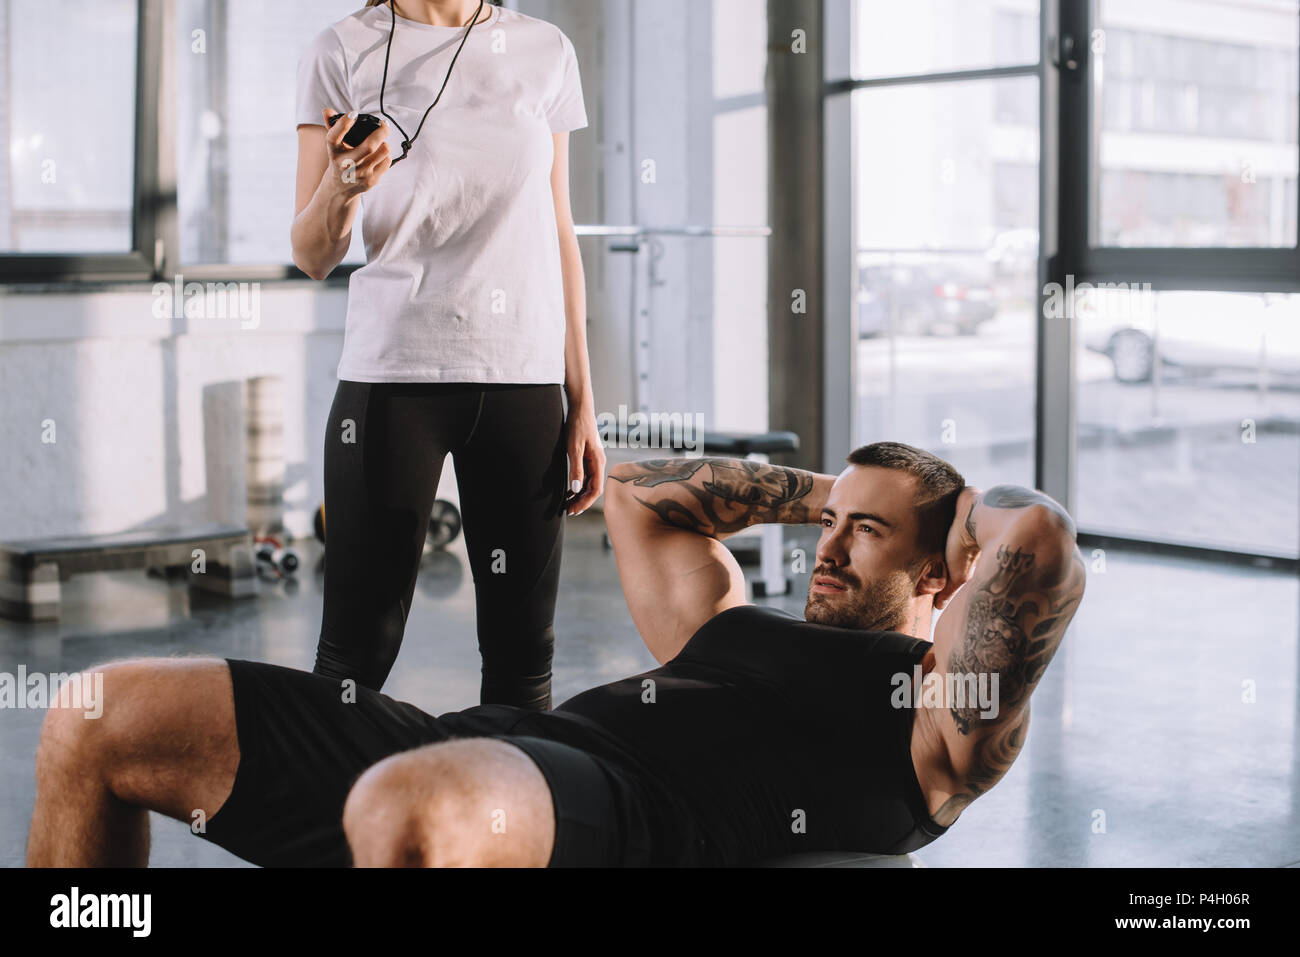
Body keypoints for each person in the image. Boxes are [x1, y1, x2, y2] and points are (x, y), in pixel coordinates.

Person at [26, 442, 1086, 867]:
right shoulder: (729, 622)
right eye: (827, 527)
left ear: (945, 569)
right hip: (484, 744)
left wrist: (958, 517)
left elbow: (1036, 539)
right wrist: (843, 493)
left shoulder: (937, 712)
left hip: (611, 814)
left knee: (407, 810)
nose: (828, 547)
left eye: (868, 534)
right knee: (94, 715)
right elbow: (633, 491)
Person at [290, 0, 606, 709]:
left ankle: (507, 789)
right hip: (393, 375)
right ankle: (323, 788)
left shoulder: (545, 49)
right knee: (354, 656)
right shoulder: (341, 50)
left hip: (523, 378)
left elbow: (559, 230)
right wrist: (342, 186)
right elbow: (312, 255)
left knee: (523, 659)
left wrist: (582, 399)